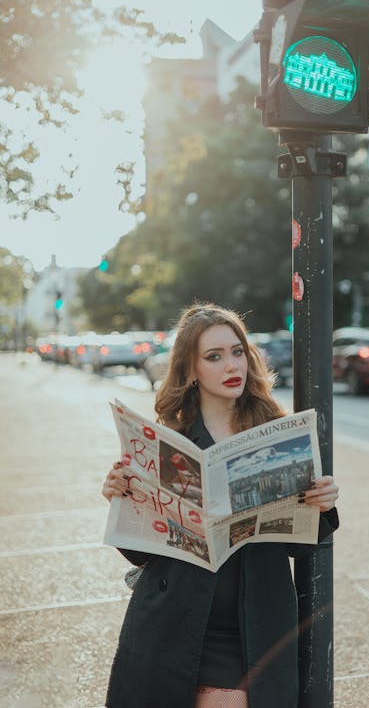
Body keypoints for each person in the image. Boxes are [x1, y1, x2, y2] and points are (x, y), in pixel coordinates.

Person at [102, 302, 339, 708]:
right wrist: (122, 496)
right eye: (214, 356)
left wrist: (322, 504)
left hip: (255, 626)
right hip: (176, 623)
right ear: (191, 371)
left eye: (237, 351)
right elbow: (141, 554)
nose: (232, 365)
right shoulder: (169, 443)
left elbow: (300, 546)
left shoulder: (275, 435)